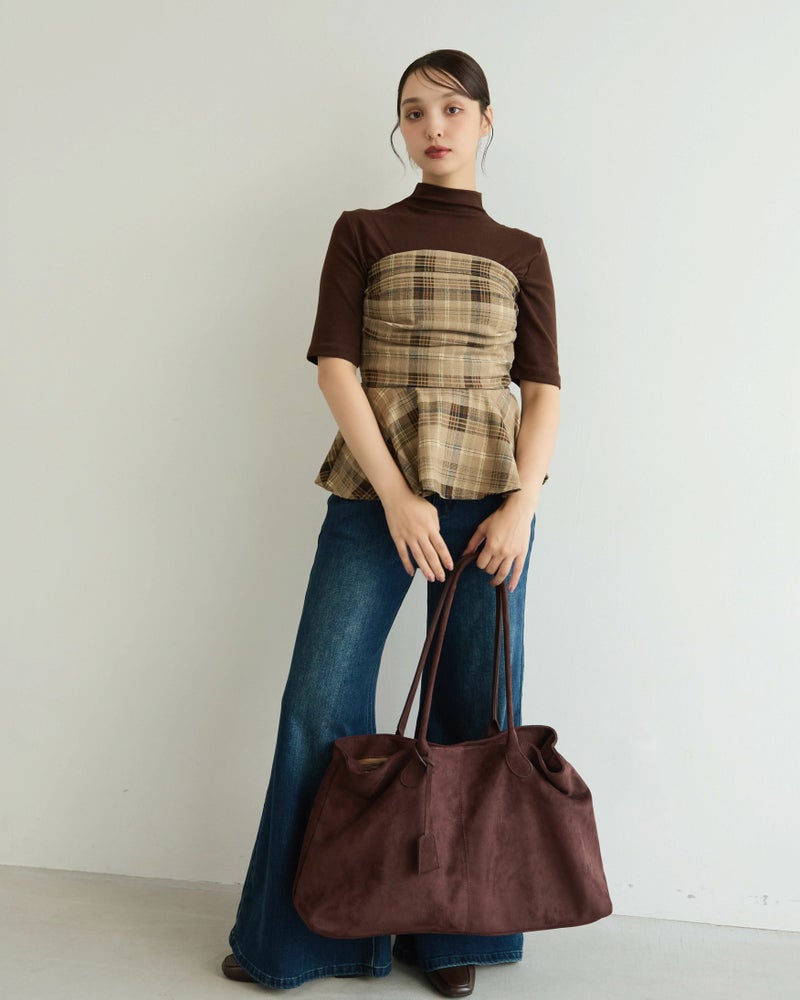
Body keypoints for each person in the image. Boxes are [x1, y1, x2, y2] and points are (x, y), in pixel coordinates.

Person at [221, 49, 561, 997]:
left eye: (451, 108)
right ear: (401, 128)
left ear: (486, 120)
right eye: (414, 112)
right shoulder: (362, 231)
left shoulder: (523, 251)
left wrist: (523, 506)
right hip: (377, 491)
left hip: (494, 501)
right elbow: (337, 365)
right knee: (319, 704)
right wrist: (399, 495)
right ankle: (301, 940)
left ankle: (448, 938)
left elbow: (543, 389)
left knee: (474, 714)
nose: (433, 127)